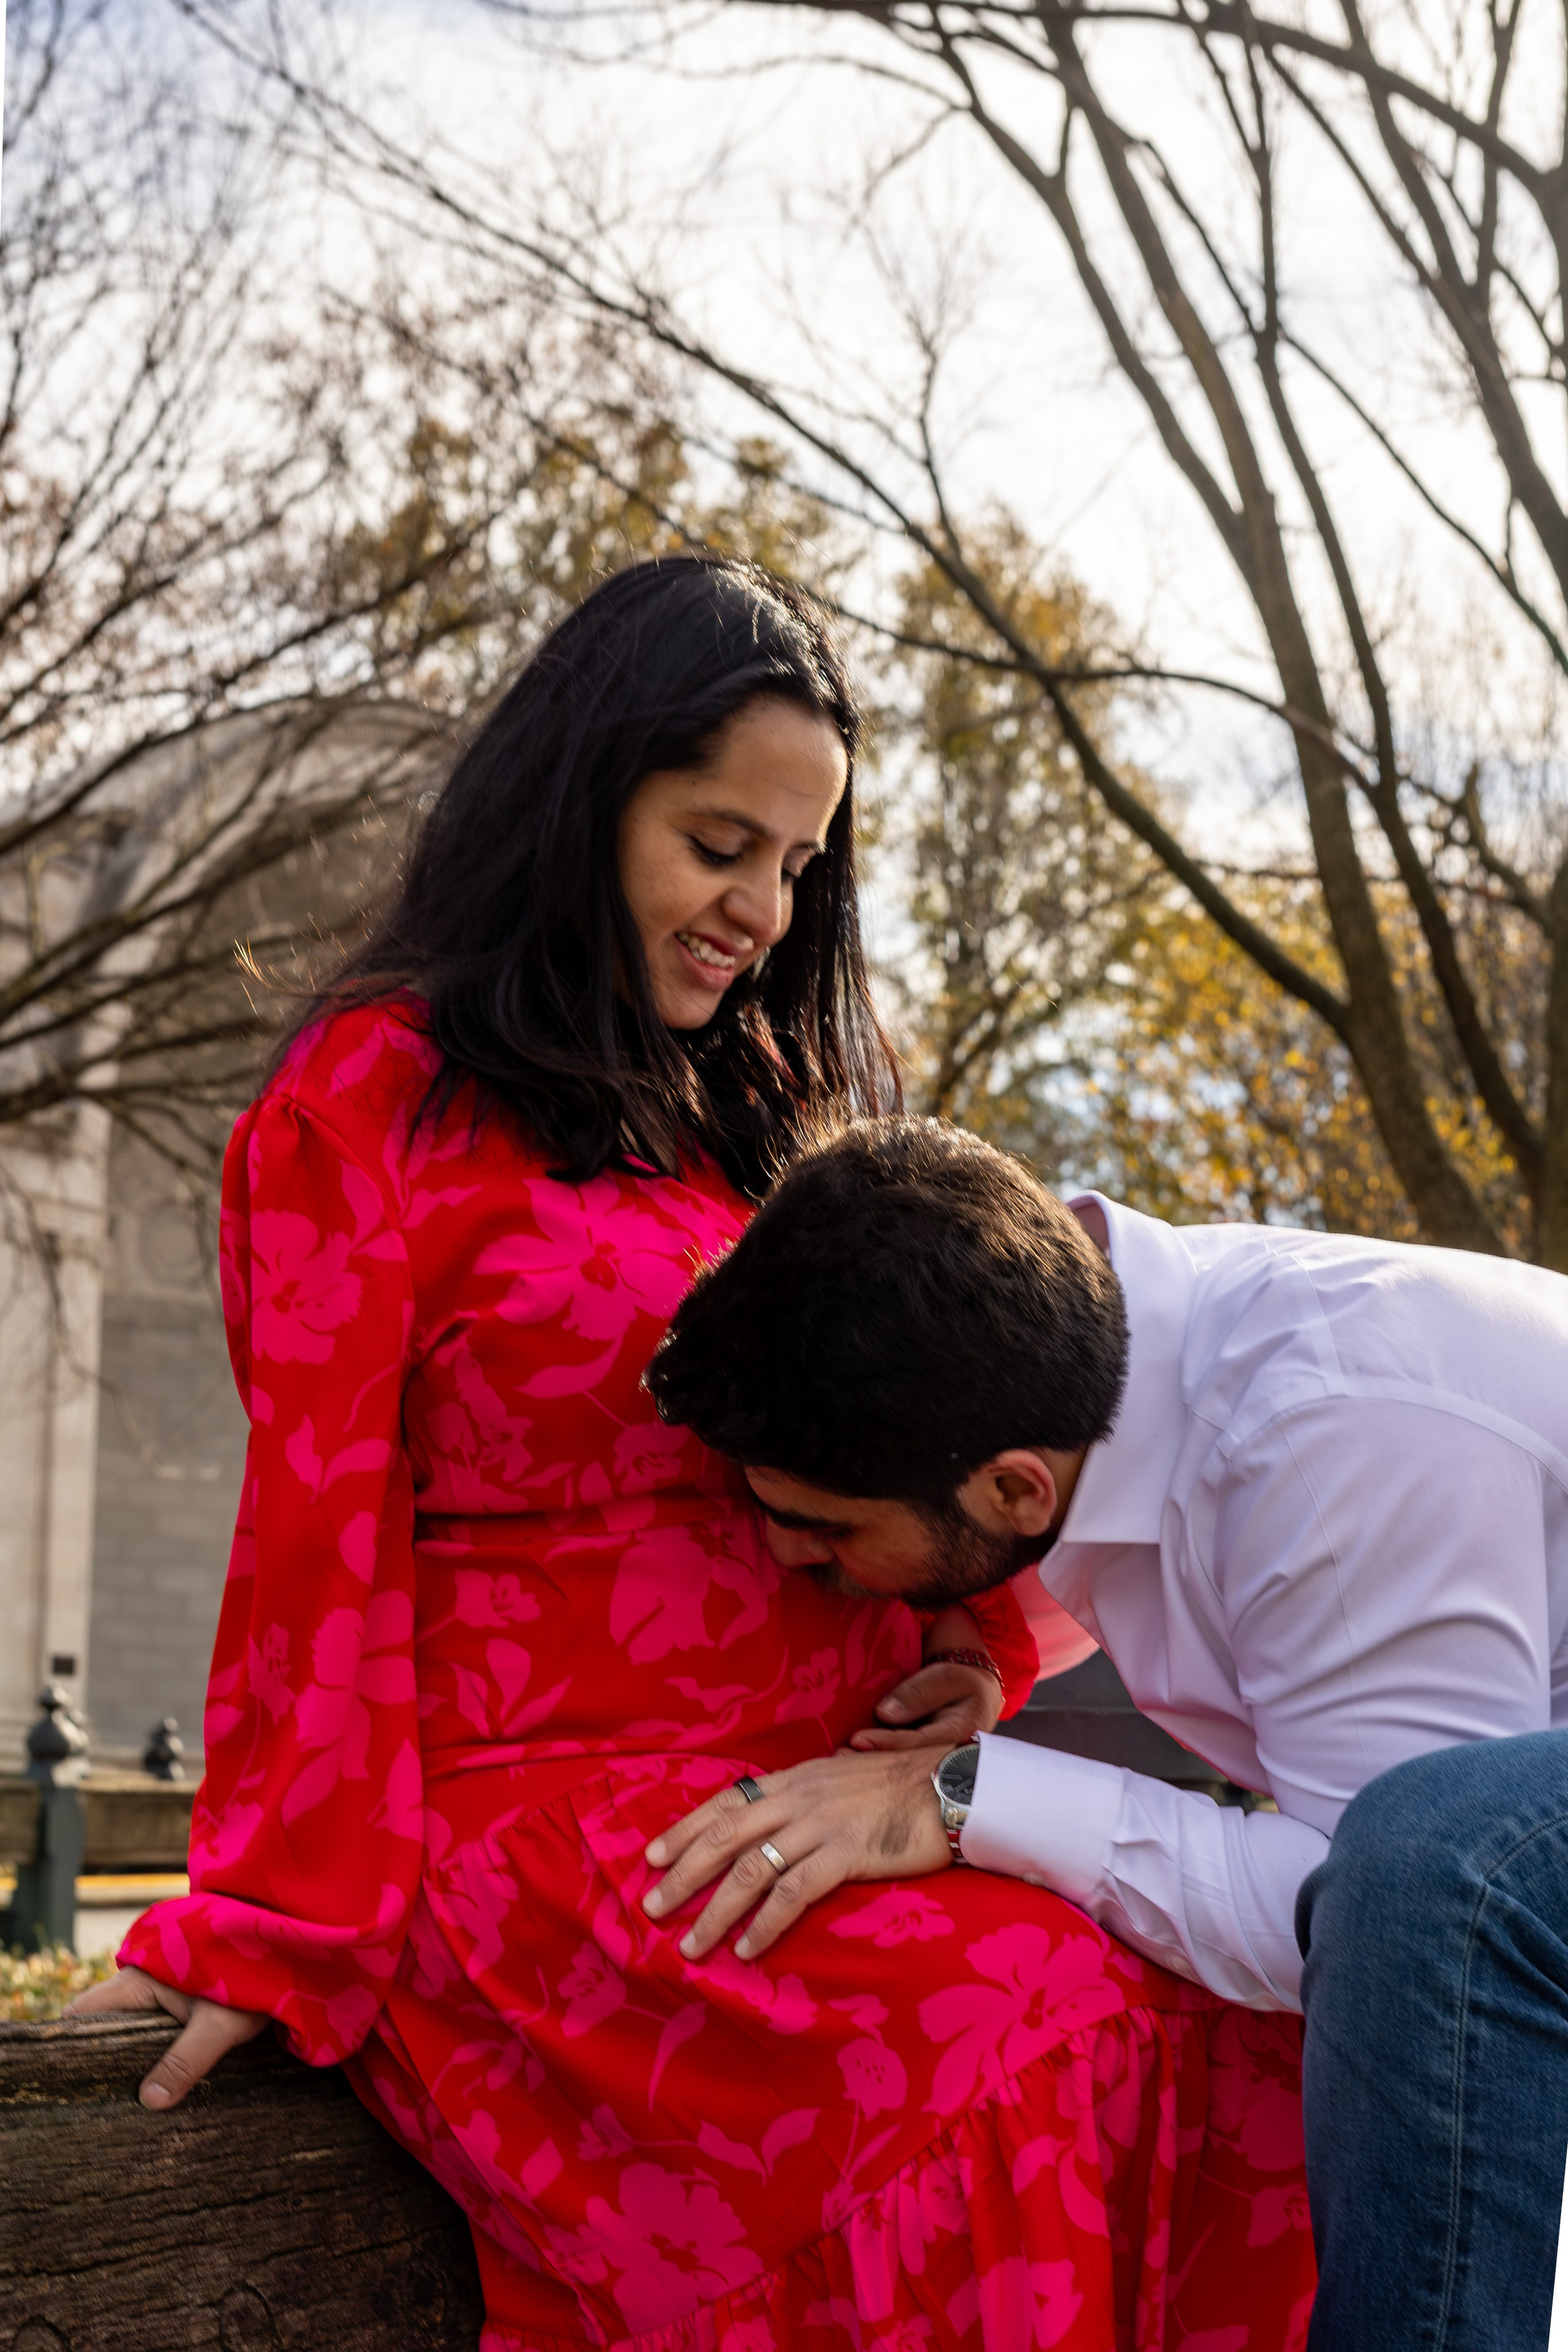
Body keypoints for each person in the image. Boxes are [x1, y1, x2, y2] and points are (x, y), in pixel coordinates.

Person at [69, 560, 1313, 2352]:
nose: (762, 907)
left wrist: (972, 1655)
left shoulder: (782, 1103)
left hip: (844, 1800)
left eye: (800, 866)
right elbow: (313, 1545)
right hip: (569, 1839)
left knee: (1248, 2022)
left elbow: (951, 1423)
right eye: (721, 843)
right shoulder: (368, 1102)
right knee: (1003, 2034)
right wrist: (267, 1926)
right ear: (587, 801)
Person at [641, 1113, 1568, 2352]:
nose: (781, 1554)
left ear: (1014, 1486)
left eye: (823, 1526)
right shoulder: (1052, 1323)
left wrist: (966, 1798)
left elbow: (1376, 1935)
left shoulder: (1323, 1451)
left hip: (1438, 1874)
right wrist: (981, 1648)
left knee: (1419, 1877)